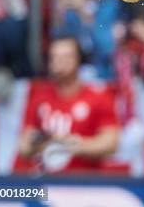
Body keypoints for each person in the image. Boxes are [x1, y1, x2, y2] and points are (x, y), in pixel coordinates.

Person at [18, 36, 120, 173]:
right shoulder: (39, 97)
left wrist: (70, 144)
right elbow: (24, 147)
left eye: (66, 57)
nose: (60, 62)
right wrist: (44, 143)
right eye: (55, 57)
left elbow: (111, 143)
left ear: (78, 60)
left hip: (84, 184)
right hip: (46, 185)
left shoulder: (98, 98)